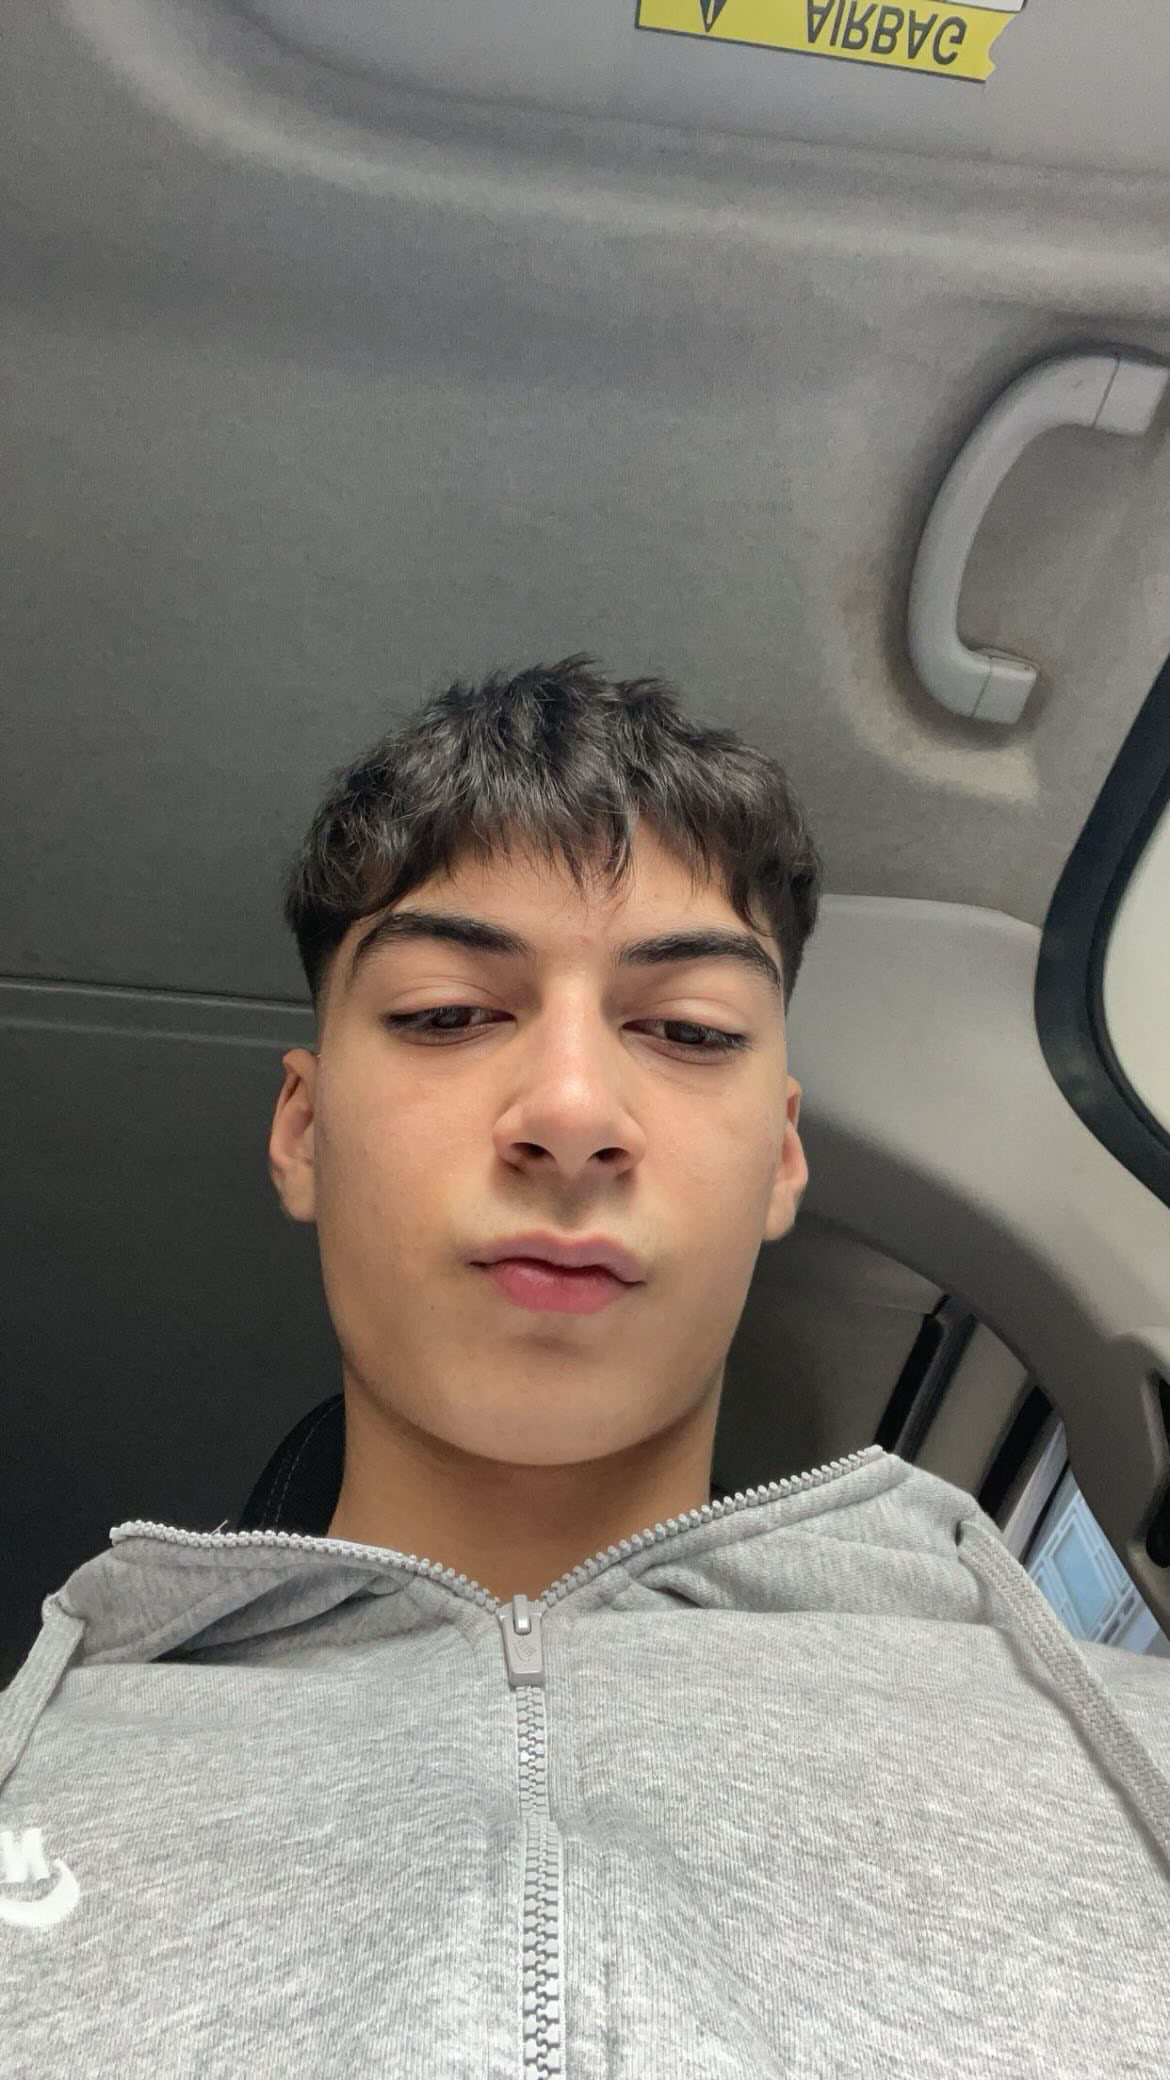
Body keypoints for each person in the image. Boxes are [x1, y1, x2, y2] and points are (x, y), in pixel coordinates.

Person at [1, 657, 1167, 2078]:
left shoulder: (1129, 1749)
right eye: (446, 1012)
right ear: (302, 1131)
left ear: (780, 1157)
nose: (569, 1110)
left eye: (687, 1031)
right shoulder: (44, 1772)